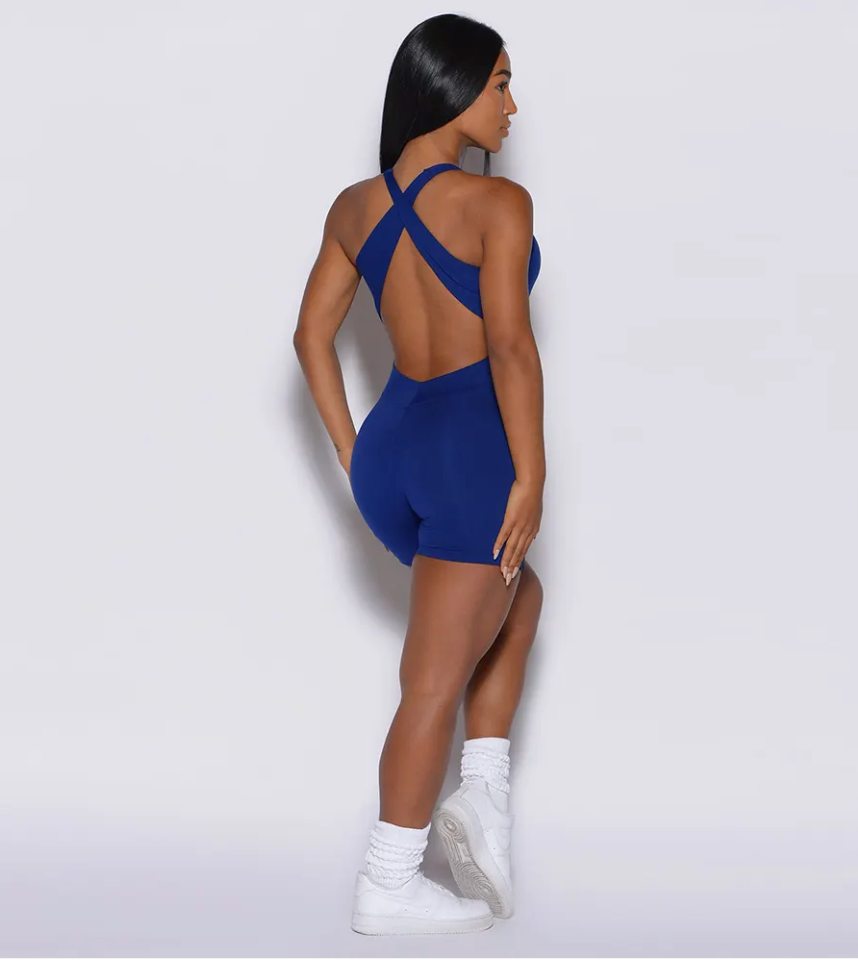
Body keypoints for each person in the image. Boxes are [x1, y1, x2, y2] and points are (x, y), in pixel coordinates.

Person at [292, 12, 545, 937]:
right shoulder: (497, 205)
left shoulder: (354, 206)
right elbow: (510, 348)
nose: (512, 105)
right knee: (435, 679)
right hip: (468, 451)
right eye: (500, 83)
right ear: (452, 87)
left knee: (520, 600)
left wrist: (352, 451)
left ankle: (483, 796)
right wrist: (531, 476)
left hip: (393, 449)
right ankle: (389, 879)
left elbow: (310, 337)